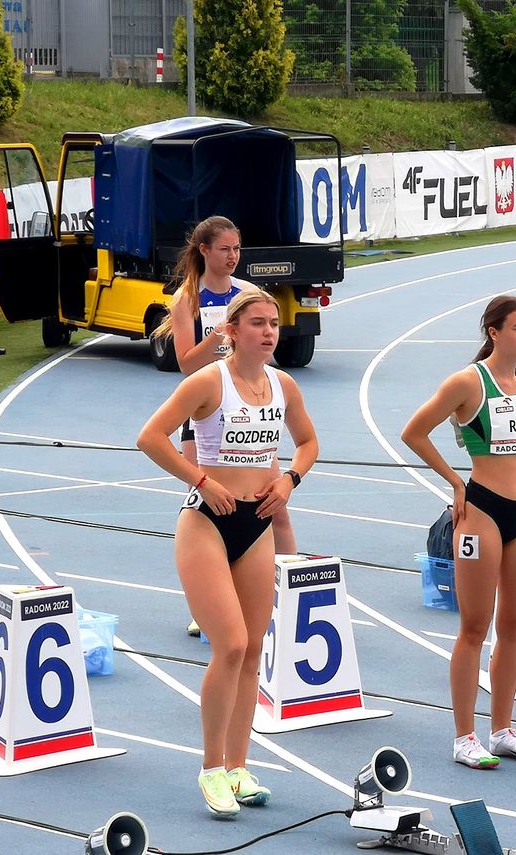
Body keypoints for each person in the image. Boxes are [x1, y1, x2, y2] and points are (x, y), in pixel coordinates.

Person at [138, 289, 318, 814]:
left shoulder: (283, 386)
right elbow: (150, 437)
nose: (268, 332)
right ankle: (211, 769)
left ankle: (238, 767)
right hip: (205, 524)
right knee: (232, 645)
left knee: (254, 650)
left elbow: (308, 443)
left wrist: (289, 481)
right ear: (232, 332)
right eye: (258, 323)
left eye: (274, 324)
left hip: (256, 527)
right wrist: (200, 478)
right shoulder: (207, 382)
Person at [401, 295, 516, 770]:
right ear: (494, 333)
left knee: (513, 625)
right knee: (474, 627)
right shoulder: (467, 383)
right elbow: (414, 432)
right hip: (483, 510)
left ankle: (502, 729)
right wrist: (455, 479)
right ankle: (465, 736)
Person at [152, 216, 297, 637]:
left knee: (276, 509)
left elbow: (265, 345)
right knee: (212, 507)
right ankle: (208, 603)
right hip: (207, 410)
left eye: (237, 249)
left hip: (250, 411)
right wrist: (221, 338)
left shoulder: (248, 294)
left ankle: (291, 595)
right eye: (224, 249)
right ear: (204, 251)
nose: (232, 256)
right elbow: (184, 363)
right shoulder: (187, 300)